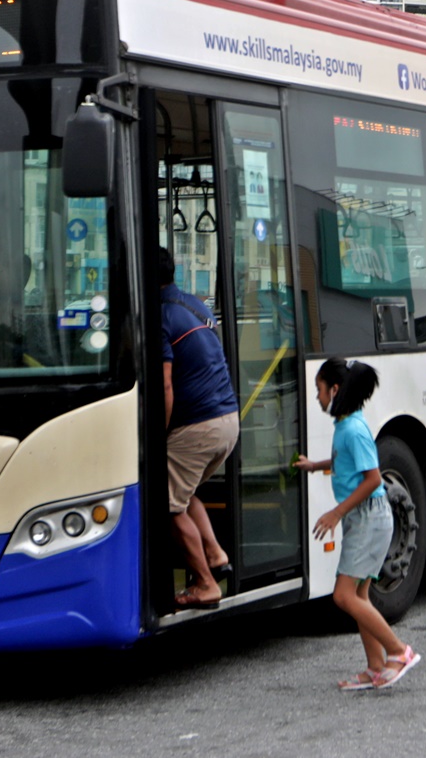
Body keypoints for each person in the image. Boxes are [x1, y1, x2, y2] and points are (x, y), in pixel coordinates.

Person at [293, 359, 421, 691]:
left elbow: (372, 479)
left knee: (343, 595)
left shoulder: (353, 429)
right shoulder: (347, 423)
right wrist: (314, 465)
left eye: (319, 390)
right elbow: (344, 462)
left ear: (335, 390)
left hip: (369, 518)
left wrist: (335, 513)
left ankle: (398, 651)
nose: (318, 398)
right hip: (363, 519)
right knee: (360, 594)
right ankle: (376, 666)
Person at [159, 246, 240, 609]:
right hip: (227, 421)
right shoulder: (195, 304)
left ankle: (206, 584)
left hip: (199, 427)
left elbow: (165, 386)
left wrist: (157, 434)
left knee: (165, 505)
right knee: (185, 493)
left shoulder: (161, 315)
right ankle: (216, 554)